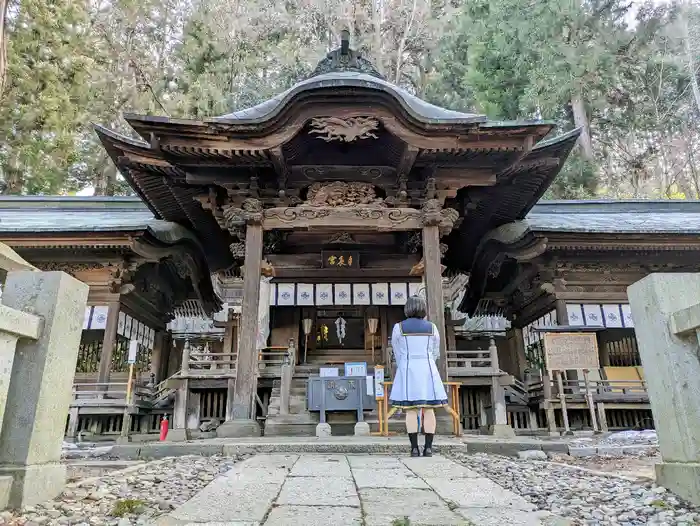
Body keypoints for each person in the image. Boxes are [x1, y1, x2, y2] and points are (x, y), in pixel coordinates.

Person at [389, 295, 448, 457]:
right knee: (429, 409)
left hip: (408, 368)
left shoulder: (398, 327)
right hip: (428, 367)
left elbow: (397, 350)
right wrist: (429, 360)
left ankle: (414, 448)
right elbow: (436, 351)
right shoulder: (432, 327)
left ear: (407, 309)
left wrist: (404, 364)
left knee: (411, 410)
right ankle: (428, 448)